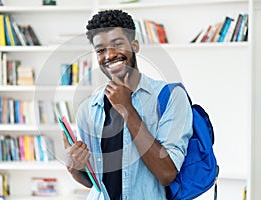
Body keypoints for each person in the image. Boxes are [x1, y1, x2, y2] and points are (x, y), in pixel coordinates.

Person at [62, 9, 193, 200]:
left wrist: (126, 109)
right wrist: (74, 168)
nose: (110, 55)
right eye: (101, 50)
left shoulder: (171, 96)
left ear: (134, 45)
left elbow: (167, 174)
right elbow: (96, 183)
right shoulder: (88, 109)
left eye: (117, 44)